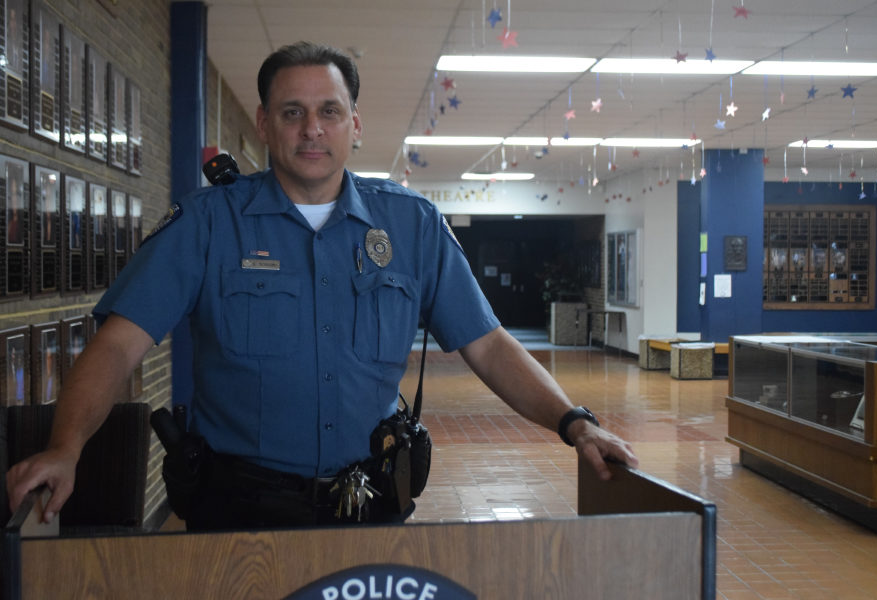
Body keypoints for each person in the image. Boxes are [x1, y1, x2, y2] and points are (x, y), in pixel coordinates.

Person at [6, 41, 637, 530]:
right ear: (263, 122)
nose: (313, 128)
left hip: (372, 502)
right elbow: (118, 345)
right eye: (293, 112)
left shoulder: (411, 226)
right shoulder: (207, 224)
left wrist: (575, 423)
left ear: (354, 124)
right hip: (239, 510)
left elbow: (489, 344)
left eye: (329, 111)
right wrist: (66, 447)